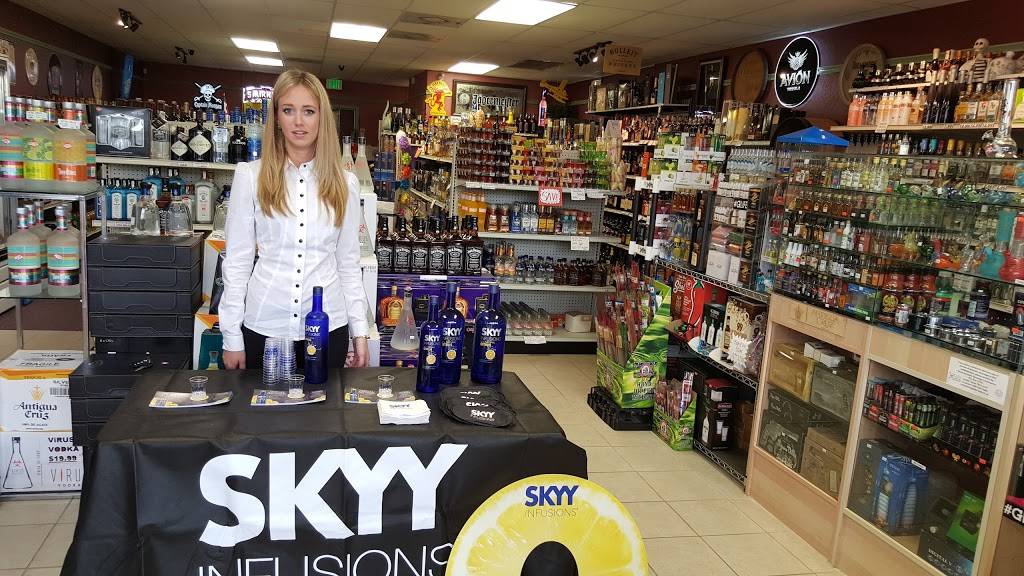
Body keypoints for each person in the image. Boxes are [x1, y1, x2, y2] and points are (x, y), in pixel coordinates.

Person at [220, 69, 369, 370]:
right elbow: (237, 262)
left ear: (322, 118)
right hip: (265, 326)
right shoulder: (250, 177)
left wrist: (360, 331)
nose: (299, 121)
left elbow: (348, 264)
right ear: (276, 117)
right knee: (261, 403)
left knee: (325, 403)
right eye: (288, 110)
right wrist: (231, 336)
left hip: (329, 329)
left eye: (309, 111)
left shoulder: (346, 184)